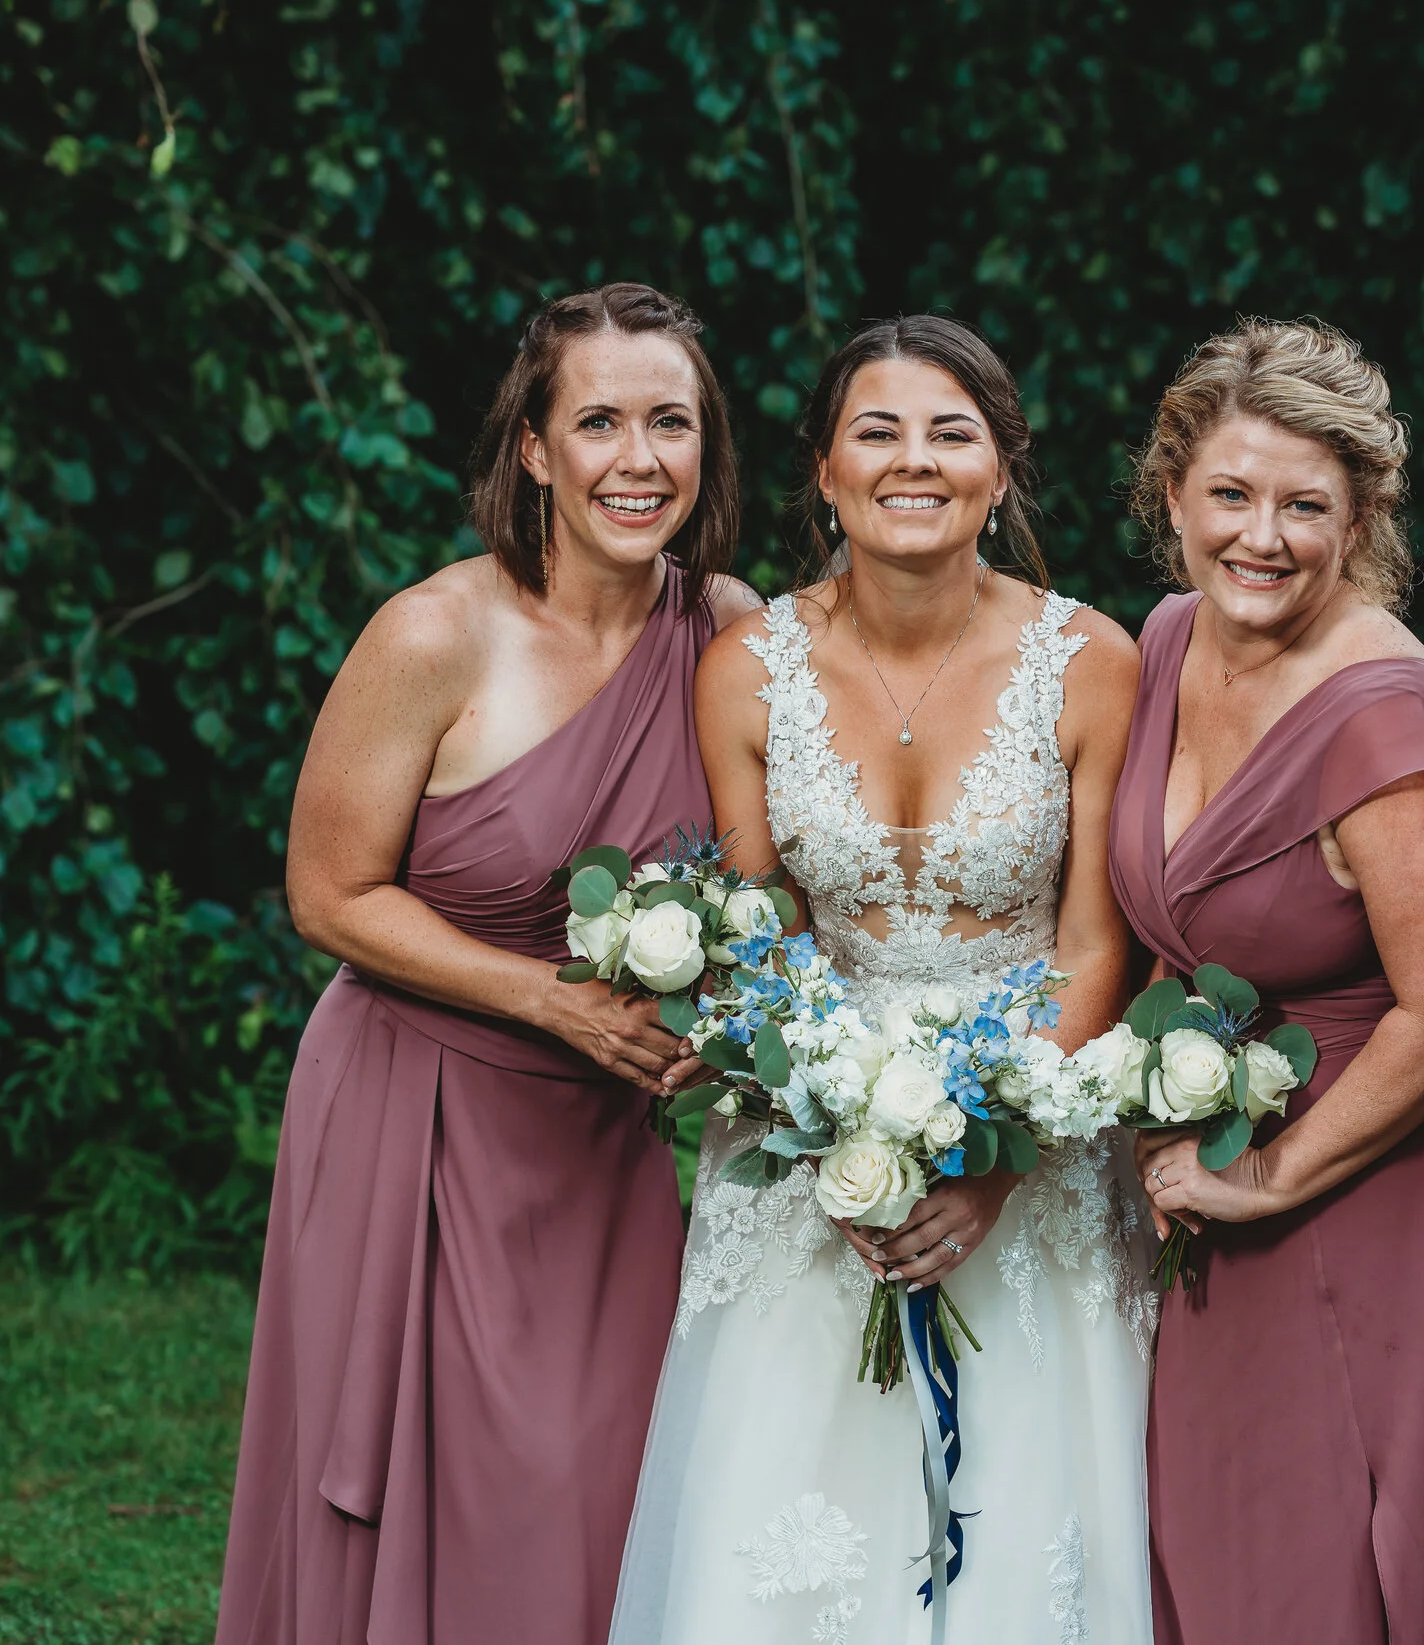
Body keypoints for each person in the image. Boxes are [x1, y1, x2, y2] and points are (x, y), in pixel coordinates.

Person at [214, 282, 758, 1645]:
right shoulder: (433, 635)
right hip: (416, 1110)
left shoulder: (729, 631)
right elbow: (329, 894)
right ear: (534, 448)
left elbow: (763, 882)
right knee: (429, 1489)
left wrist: (727, 1024)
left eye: (672, 423)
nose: (640, 460)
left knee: (602, 1486)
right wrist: (550, 1000)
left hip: (600, 1142)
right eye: (600, 422)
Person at [609, 316, 1155, 1645]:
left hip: (1029, 1135)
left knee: (1026, 1517)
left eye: (951, 434)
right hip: (812, 1148)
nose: (915, 461)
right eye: (878, 432)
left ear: (1001, 468)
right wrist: (832, 1125)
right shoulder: (747, 669)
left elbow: (1097, 946)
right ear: (824, 469)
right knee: (792, 1515)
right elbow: (767, 929)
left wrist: (998, 1159)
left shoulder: (1095, 663)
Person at [1113, 319, 1424, 1645]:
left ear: (1361, 516)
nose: (1261, 538)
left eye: (1305, 507)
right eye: (1231, 495)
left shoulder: (1374, 709)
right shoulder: (1169, 640)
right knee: (1223, 1547)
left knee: (1317, 1569)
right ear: (1172, 498)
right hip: (1218, 1165)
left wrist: (1271, 1176)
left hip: (1361, 1190)